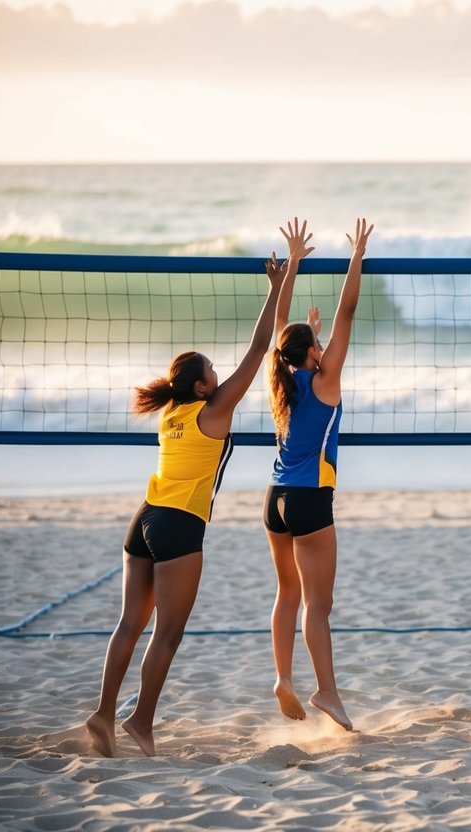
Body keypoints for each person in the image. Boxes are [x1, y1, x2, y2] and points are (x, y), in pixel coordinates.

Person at [84, 219, 312, 758]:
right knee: (166, 634)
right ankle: (139, 722)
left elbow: (249, 355)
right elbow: (260, 348)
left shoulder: (171, 413)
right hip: (179, 524)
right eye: (212, 366)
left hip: (142, 520)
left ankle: (102, 713)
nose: (218, 367)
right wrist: (278, 284)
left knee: (128, 625)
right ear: (205, 384)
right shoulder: (214, 410)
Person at [264, 218, 373, 732]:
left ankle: (283, 677)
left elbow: (277, 332)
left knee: (287, 594)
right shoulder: (328, 379)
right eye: (318, 344)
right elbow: (349, 310)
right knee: (318, 606)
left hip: (275, 497)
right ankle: (326, 690)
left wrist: (290, 269)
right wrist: (357, 255)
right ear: (313, 353)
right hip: (311, 499)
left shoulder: (278, 379)